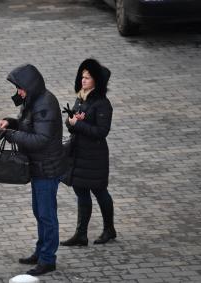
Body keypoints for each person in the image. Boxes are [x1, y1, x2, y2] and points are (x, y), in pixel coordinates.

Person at [0, 64, 65, 276]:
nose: (18, 92)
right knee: (39, 212)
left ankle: (47, 259)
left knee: (46, 215)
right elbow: (30, 126)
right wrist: (11, 122)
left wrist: (11, 135)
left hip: (47, 168)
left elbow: (41, 139)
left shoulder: (45, 104)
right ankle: (40, 251)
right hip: (38, 167)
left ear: (30, 86)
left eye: (20, 88)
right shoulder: (34, 101)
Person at [60, 58, 117, 247]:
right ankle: (81, 234)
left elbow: (101, 132)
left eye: (88, 77)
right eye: (82, 77)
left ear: (96, 81)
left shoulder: (102, 104)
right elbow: (72, 125)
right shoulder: (81, 97)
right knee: (81, 192)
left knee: (100, 192)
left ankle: (109, 229)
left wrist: (80, 124)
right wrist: (71, 121)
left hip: (94, 156)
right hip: (78, 154)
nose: (83, 80)